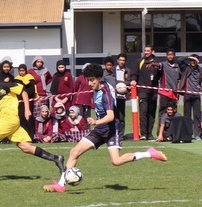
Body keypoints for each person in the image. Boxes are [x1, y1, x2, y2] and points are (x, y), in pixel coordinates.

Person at [43, 63, 167, 193]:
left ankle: (150, 153)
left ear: (99, 78)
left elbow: (111, 116)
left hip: (112, 130)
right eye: (88, 80)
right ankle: (61, 185)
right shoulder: (97, 89)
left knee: (116, 161)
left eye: (92, 80)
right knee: (74, 152)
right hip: (100, 129)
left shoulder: (106, 93)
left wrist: (96, 121)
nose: (89, 83)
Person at [0, 61, 66, 178]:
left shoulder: (6, 85)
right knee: (26, 148)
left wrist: (27, 109)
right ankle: (57, 158)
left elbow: (23, 92)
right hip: (7, 121)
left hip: (10, 119)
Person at [130, 45, 161, 140]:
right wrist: (134, 80)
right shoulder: (139, 61)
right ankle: (143, 134)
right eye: (145, 50)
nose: (146, 52)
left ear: (153, 52)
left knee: (151, 112)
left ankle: (149, 134)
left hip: (154, 91)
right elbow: (134, 73)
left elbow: (161, 75)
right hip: (143, 91)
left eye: (148, 51)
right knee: (143, 112)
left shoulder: (157, 63)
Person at [178, 54, 202, 140]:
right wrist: (188, 57)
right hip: (187, 94)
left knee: (197, 115)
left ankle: (197, 134)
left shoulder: (200, 70)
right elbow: (179, 60)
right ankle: (188, 133)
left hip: (196, 95)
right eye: (191, 60)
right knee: (187, 115)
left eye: (194, 60)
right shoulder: (186, 68)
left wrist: (201, 88)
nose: (192, 62)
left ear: (197, 61)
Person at [14, 64, 38, 140]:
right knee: (21, 118)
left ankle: (31, 136)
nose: (21, 72)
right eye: (20, 70)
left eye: (23, 70)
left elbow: (32, 90)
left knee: (29, 118)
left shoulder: (30, 78)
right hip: (20, 103)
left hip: (29, 102)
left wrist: (25, 94)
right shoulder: (16, 79)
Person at [157, 49, 180, 119]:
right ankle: (161, 129)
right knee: (163, 111)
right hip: (164, 92)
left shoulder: (177, 66)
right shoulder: (163, 64)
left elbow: (179, 80)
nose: (170, 56)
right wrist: (153, 64)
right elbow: (158, 65)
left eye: (172, 54)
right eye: (169, 55)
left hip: (174, 93)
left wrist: (178, 92)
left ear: (174, 55)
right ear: (166, 56)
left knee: (174, 111)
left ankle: (172, 128)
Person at [114, 53, 131, 134]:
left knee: (121, 115)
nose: (122, 62)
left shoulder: (128, 70)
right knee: (113, 114)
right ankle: (113, 132)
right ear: (117, 61)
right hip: (113, 95)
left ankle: (121, 133)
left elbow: (129, 81)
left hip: (123, 96)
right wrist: (117, 85)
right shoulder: (113, 70)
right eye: (120, 60)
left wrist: (123, 85)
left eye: (123, 60)